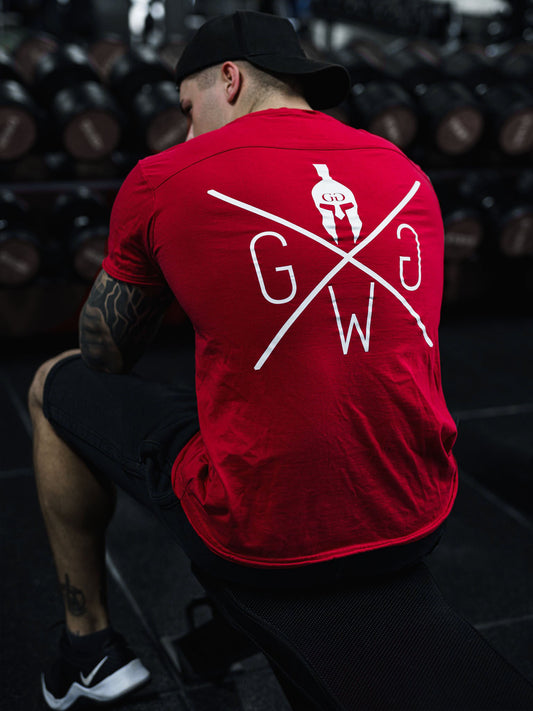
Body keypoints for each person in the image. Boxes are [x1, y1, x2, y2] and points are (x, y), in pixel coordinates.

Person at [28, 10, 458, 710]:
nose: (185, 130)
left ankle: (88, 654)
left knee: (55, 382)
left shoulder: (164, 176)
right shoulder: (405, 170)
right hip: (422, 507)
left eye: (186, 108)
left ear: (228, 80)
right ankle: (223, 636)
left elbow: (105, 353)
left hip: (261, 534)